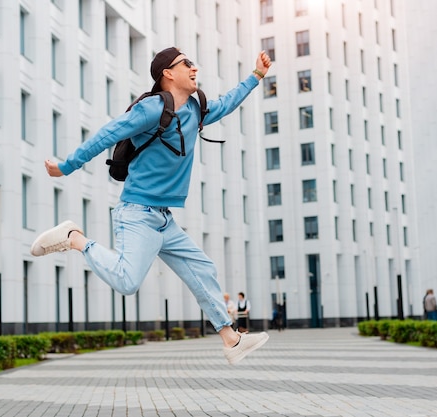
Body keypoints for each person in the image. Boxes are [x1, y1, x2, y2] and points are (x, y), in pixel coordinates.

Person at [30, 47, 271, 364]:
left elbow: (225, 105)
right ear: (168, 74)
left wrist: (256, 76)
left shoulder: (196, 108)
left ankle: (231, 340)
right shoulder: (152, 109)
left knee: (203, 270)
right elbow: (108, 134)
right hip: (137, 213)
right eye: (186, 64)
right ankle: (75, 238)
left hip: (164, 220)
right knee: (127, 282)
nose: (194, 68)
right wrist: (67, 166)